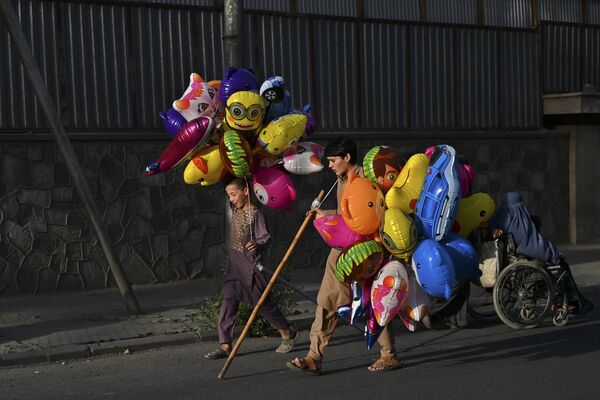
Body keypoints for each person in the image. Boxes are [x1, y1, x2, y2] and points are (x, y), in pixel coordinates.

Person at [287, 137, 403, 374]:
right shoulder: (340, 181)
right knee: (326, 301)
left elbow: (375, 215)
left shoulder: (367, 179)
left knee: (374, 302)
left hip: (368, 253)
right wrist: (324, 214)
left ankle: (389, 355)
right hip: (342, 251)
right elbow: (346, 215)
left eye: (333, 161)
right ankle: (313, 357)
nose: (329, 165)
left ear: (347, 158)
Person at [204, 177, 298, 359]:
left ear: (246, 191)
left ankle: (287, 332)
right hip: (234, 266)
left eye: (233, 194)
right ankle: (225, 345)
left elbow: (266, 238)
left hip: (250, 268)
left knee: (263, 304)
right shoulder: (235, 208)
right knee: (228, 302)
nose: (231, 199)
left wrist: (257, 244)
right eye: (228, 196)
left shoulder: (255, 213)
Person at [489, 192, 593, 315]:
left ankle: (573, 301)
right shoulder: (520, 223)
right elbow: (534, 247)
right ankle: (571, 302)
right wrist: (553, 253)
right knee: (562, 265)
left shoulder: (501, 221)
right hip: (526, 258)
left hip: (512, 260)